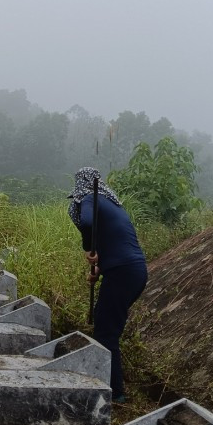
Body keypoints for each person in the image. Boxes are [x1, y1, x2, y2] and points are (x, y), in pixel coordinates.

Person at [68, 166, 147, 403]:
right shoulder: (112, 203)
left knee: (106, 331)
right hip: (133, 271)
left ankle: (115, 393)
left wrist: (88, 249)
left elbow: (88, 223)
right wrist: (98, 268)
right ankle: (112, 386)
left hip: (123, 272)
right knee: (106, 322)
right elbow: (114, 242)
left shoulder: (90, 198)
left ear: (80, 184)